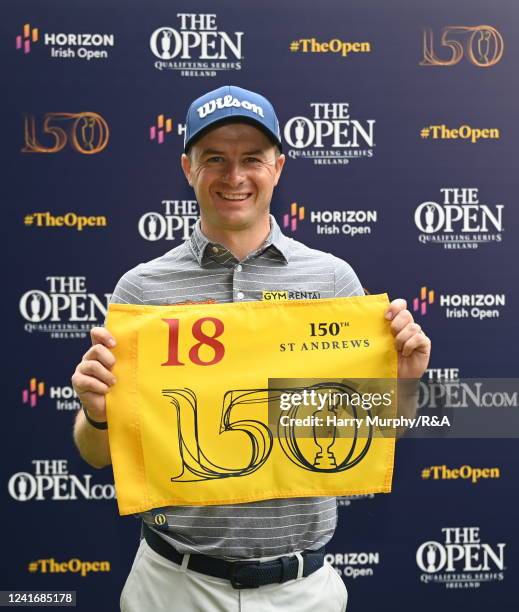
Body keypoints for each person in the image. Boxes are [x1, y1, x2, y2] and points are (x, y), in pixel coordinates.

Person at [71, 85, 431, 612]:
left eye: (252, 159)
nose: (234, 177)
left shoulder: (332, 280)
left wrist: (403, 381)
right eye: (214, 158)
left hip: (303, 589)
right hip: (173, 585)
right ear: (187, 168)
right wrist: (97, 414)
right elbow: (96, 454)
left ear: (279, 167)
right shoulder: (142, 290)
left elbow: (385, 425)